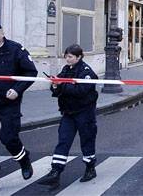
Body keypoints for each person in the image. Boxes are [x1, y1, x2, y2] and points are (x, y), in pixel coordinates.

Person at [0, 20, 37, 193]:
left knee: (8, 137)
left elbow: (30, 72)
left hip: (9, 102)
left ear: (3, 34)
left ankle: (24, 159)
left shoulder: (16, 50)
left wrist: (17, 90)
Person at [37, 44, 99, 189]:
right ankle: (55, 172)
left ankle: (90, 168)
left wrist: (61, 85)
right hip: (68, 112)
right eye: (66, 56)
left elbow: (82, 90)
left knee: (87, 140)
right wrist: (54, 85)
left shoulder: (86, 72)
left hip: (84, 113)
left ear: (79, 57)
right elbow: (58, 85)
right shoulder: (66, 69)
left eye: (70, 56)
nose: (67, 59)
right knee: (63, 141)